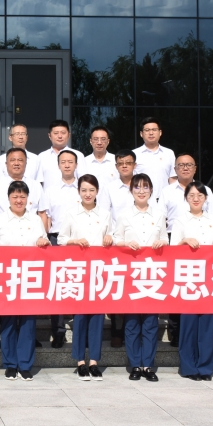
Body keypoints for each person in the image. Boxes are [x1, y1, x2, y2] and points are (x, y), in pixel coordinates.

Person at [0, 180, 50, 381]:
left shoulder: (35, 220)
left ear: (28, 199)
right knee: (7, 323)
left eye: (22, 196)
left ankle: (25, 364)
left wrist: (43, 241)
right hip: (7, 278)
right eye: (15, 196)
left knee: (27, 324)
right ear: (8, 198)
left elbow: (44, 243)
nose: (19, 200)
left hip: (30, 278)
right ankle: (10, 364)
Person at [160, 153, 213, 348]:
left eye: (189, 165)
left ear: (195, 168)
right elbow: (160, 218)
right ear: (175, 169)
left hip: (204, 247)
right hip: (176, 241)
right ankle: (176, 333)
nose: (185, 168)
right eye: (181, 165)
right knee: (178, 289)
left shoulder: (205, 190)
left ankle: (200, 336)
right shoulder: (167, 191)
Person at [170, 181, 213, 381]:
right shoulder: (180, 220)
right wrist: (184, 241)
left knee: (208, 326)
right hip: (188, 278)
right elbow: (172, 249)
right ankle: (188, 367)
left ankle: (205, 368)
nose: (196, 199)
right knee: (188, 325)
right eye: (192, 195)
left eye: (200, 195)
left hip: (210, 278)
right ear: (186, 198)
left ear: (205, 198)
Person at [58, 174, 113, 380]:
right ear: (78, 192)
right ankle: (80, 361)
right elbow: (61, 239)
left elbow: (114, 236)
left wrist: (110, 238)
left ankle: (94, 361)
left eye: (91, 190)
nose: (87, 194)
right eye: (83, 190)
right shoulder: (71, 213)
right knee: (80, 317)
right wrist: (74, 241)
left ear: (97, 191)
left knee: (98, 317)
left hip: (99, 271)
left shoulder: (105, 214)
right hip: (79, 271)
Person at [113, 173, 167, 382]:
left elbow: (165, 239)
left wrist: (162, 243)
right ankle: (135, 364)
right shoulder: (124, 215)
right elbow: (116, 240)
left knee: (151, 323)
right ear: (131, 191)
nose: (141, 191)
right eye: (137, 187)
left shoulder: (159, 214)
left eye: (145, 187)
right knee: (132, 323)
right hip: (132, 275)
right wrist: (126, 244)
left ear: (151, 190)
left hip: (153, 274)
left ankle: (148, 365)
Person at [39, 150, 81, 349]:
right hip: (56, 239)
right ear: (58, 165)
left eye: (70, 162)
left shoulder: (83, 188)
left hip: (79, 241)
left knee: (80, 284)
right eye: (63, 162)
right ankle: (58, 331)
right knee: (57, 285)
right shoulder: (50, 190)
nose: (67, 165)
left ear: (76, 165)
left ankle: (81, 330)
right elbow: (46, 217)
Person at [105, 149, 137, 348]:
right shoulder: (110, 187)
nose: (124, 166)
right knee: (118, 287)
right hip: (117, 244)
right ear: (116, 166)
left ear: (135, 165)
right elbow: (105, 213)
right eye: (121, 163)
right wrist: (109, 235)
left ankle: (134, 330)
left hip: (140, 244)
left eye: (128, 162)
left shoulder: (142, 185)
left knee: (137, 286)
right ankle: (117, 331)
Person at [0, 148, 47, 233]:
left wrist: (43, 236)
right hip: (4, 234)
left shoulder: (36, 185)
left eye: (20, 160)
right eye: (12, 160)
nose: (16, 163)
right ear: (6, 164)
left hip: (31, 234)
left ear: (26, 164)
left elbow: (42, 214)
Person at [132, 117, 176, 203]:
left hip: (165, 201)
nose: (151, 133)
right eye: (147, 130)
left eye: (154, 130)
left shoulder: (169, 153)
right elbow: (131, 180)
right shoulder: (134, 154)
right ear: (141, 134)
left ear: (160, 132)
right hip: (143, 201)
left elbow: (173, 179)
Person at [38, 119, 85, 189]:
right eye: (56, 133)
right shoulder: (42, 157)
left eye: (63, 133)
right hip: (49, 195)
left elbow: (83, 180)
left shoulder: (78, 155)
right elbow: (38, 183)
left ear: (69, 135)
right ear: (49, 136)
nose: (60, 136)